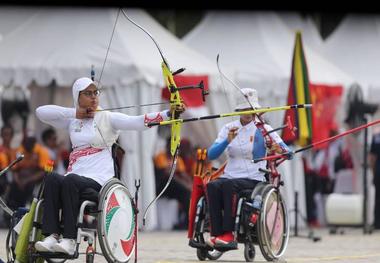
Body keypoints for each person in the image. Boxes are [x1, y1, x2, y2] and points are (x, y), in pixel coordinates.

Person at [34, 77, 185, 255]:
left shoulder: (108, 117)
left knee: (69, 181)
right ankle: (51, 236)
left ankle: (69, 240)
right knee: (51, 178)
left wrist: (169, 114)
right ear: (78, 96)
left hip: (99, 180)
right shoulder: (72, 120)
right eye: (88, 94)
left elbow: (137, 121)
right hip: (74, 178)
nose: (93, 97)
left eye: (95, 93)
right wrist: (75, 113)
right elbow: (40, 112)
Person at [205, 88, 293, 250]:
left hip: (254, 179)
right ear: (239, 110)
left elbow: (288, 152)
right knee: (212, 185)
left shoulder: (264, 129)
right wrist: (227, 141)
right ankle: (216, 233)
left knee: (228, 186)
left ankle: (229, 234)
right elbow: (211, 154)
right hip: (230, 176)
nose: (248, 113)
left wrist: (277, 148)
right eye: (245, 109)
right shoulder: (228, 128)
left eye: (251, 109)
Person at [153, 137, 191, 229]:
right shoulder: (161, 156)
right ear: (167, 146)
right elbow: (168, 174)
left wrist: (191, 183)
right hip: (161, 187)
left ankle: (186, 222)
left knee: (187, 194)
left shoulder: (178, 159)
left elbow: (183, 174)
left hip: (173, 188)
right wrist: (186, 185)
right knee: (178, 185)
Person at [6, 133, 50, 210]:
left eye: (31, 142)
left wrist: (27, 180)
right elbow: (15, 169)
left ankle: (27, 207)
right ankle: (11, 210)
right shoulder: (19, 151)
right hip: (20, 179)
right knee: (13, 188)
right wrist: (18, 181)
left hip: (34, 179)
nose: (28, 144)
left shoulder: (42, 151)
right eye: (27, 142)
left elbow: (43, 172)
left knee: (30, 188)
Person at [369, 128, 380, 230]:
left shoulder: (376, 135)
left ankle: (377, 223)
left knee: (377, 198)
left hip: (378, 171)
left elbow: (372, 157)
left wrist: (373, 172)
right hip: (378, 171)